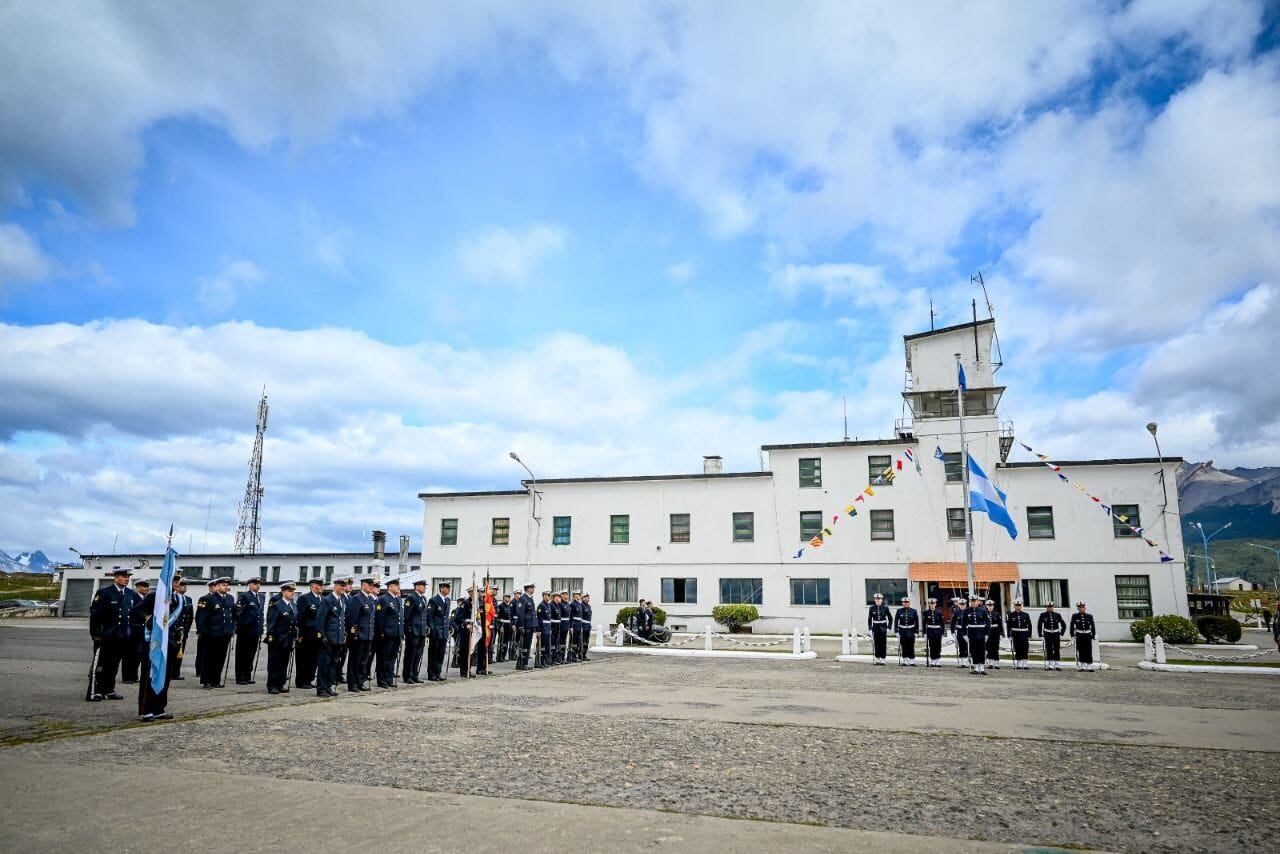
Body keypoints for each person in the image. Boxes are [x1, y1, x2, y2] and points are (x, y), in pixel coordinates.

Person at [132, 579, 183, 721]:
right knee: (150, 676)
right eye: (174, 580)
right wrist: (148, 619)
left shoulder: (177, 598)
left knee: (165, 677)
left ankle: (159, 708)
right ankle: (146, 710)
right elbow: (137, 611)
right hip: (154, 643)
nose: (177, 583)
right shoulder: (155, 596)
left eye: (179, 580)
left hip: (170, 644)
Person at [87, 567, 139, 701]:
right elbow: (95, 616)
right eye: (124, 576)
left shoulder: (130, 594)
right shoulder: (104, 593)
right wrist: (96, 635)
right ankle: (95, 691)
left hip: (122, 637)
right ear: (116, 578)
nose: (127, 579)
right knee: (101, 665)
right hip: (106, 636)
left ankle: (109, 690)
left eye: (128, 576)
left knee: (114, 666)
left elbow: (138, 610)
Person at [197, 577, 236, 689]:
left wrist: (232, 628)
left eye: (227, 585)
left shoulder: (230, 598)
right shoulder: (208, 599)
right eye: (223, 585)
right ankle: (207, 681)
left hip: (225, 633)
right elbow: (202, 618)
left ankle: (216, 680)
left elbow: (233, 615)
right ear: (217, 586)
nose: (226, 587)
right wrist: (203, 632)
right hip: (211, 634)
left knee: (220, 658)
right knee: (209, 658)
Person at [314, 577, 349, 697]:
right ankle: (321, 688)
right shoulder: (327, 600)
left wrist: (343, 634)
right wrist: (321, 635)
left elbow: (341, 619)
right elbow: (320, 620)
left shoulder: (342, 600)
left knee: (334, 664)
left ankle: (328, 686)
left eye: (345, 586)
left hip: (338, 638)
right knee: (324, 664)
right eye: (341, 586)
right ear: (335, 586)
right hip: (328, 638)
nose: (343, 588)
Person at [265, 582, 298, 694]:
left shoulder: (293, 605)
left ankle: (280, 683)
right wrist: (271, 637)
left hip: (288, 639)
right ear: (283, 592)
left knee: (284, 663)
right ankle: (272, 685)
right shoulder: (277, 605)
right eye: (289, 591)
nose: (292, 593)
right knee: (275, 663)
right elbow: (271, 623)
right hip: (277, 639)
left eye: (293, 591)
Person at [345, 577, 375, 692]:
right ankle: (352, 684)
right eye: (369, 584)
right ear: (363, 585)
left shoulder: (370, 599)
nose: (372, 586)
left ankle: (360, 682)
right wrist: (354, 634)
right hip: (359, 635)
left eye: (372, 584)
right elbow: (352, 619)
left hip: (368, 635)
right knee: (355, 661)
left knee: (364, 661)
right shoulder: (357, 599)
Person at [234, 577, 266, 684]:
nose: (258, 585)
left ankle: (247, 675)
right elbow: (238, 612)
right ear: (249, 585)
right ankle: (240, 677)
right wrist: (241, 625)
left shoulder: (261, 597)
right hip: (245, 630)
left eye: (259, 583)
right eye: (255, 583)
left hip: (255, 630)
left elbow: (260, 613)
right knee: (242, 654)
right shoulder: (244, 596)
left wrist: (261, 628)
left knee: (251, 653)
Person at [294, 578, 324, 689]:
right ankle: (301, 681)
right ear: (313, 586)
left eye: (322, 585)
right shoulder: (305, 599)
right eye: (319, 585)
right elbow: (300, 617)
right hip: (306, 634)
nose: (322, 587)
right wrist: (300, 633)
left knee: (314, 659)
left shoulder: (323, 599)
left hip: (318, 635)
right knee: (303, 658)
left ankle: (309, 678)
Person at [374, 578, 405, 688]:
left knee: (392, 657)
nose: (398, 587)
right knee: (383, 657)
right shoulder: (383, 599)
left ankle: (389, 678)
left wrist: (401, 632)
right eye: (396, 585)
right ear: (390, 587)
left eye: (398, 585)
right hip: (386, 634)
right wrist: (381, 632)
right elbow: (380, 617)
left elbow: (400, 617)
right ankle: (381, 680)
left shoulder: (398, 600)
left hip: (396, 633)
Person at [120, 577, 151, 684]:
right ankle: (127, 677)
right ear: (137, 587)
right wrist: (145, 616)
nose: (147, 588)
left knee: (138, 654)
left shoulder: (146, 598)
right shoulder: (132, 597)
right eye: (144, 586)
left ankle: (134, 675)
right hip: (133, 629)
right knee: (129, 654)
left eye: (147, 586)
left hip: (142, 630)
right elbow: (132, 611)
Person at [402, 578, 429, 683]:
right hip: (413, 630)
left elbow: (424, 615)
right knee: (410, 654)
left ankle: (415, 674)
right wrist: (408, 629)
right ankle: (407, 675)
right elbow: (407, 615)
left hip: (421, 630)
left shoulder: (424, 598)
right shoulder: (411, 598)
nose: (424, 587)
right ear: (417, 586)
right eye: (423, 585)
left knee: (418, 654)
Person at [426, 581, 452, 681]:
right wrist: (432, 629)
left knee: (441, 653)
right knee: (433, 653)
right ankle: (431, 673)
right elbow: (430, 616)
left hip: (444, 631)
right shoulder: (433, 600)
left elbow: (446, 616)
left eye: (449, 588)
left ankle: (438, 672)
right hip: (436, 631)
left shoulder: (448, 600)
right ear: (441, 589)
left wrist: (449, 627)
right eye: (447, 588)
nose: (449, 590)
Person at [169, 576, 194, 681]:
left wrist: (185, 630)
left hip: (182, 631)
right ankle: (169, 673)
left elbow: (189, 616)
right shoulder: (171, 598)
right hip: (172, 630)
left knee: (180, 653)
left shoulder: (188, 599)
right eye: (182, 585)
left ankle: (176, 673)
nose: (184, 587)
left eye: (185, 585)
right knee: (170, 652)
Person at [514, 582, 538, 669]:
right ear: (528, 588)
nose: (533, 589)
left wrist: (535, 625)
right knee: (523, 645)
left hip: (530, 625)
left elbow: (532, 614)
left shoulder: (530, 599)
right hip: (525, 626)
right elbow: (520, 614)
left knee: (528, 645)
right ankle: (522, 663)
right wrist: (521, 626)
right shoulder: (523, 599)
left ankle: (525, 663)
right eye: (532, 588)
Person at [1037, 602, 1066, 671]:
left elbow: (1063, 625)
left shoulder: (1057, 615)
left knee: (1056, 649)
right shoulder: (1043, 615)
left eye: (1051, 607)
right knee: (1049, 649)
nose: (1049, 608)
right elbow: (1039, 626)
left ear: (1053, 607)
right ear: (1046, 607)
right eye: (1048, 607)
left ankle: (1057, 665)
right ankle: (1050, 665)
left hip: (1056, 634)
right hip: (1047, 634)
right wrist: (1040, 635)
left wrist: (1061, 633)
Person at [966, 595, 990, 675]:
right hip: (972, 634)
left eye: (975, 601)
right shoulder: (967, 611)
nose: (973, 602)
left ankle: (982, 668)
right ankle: (976, 667)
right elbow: (963, 624)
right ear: (970, 602)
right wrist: (964, 635)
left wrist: (987, 633)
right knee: (974, 651)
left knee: (981, 650)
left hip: (981, 633)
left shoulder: (983, 610)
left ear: (978, 602)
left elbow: (987, 623)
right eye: (972, 601)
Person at [1070, 601, 1097, 671]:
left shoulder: (1089, 616)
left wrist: (1093, 635)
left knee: (1088, 650)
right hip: (1079, 635)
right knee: (1081, 650)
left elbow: (1093, 626)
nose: (1081, 609)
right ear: (1078, 609)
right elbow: (1072, 626)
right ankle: (1082, 665)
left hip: (1087, 635)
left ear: (1085, 608)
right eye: (1080, 608)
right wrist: (1072, 635)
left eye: (1083, 607)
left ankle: (1089, 665)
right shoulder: (1075, 616)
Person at [1007, 600, 1032, 669]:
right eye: (1016, 605)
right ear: (1014, 606)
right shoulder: (1011, 615)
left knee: (1025, 648)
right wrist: (1009, 635)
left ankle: (1025, 663)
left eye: (1019, 605)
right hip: (1015, 634)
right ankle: (1019, 663)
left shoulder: (1026, 615)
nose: (1018, 607)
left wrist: (1029, 635)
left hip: (1024, 634)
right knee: (1017, 648)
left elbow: (1029, 625)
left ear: (1021, 606)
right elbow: (1009, 626)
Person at [867, 592, 891, 665]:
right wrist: (870, 629)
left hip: (883, 627)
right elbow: (869, 619)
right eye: (876, 599)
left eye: (879, 599)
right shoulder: (871, 608)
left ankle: (883, 658)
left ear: (881, 600)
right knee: (876, 643)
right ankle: (877, 658)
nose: (878, 600)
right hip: (876, 627)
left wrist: (889, 627)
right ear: (875, 600)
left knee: (883, 643)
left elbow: (890, 618)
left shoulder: (885, 607)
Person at [452, 595, 473, 678]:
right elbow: (453, 621)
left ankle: (468, 669)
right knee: (460, 650)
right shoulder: (456, 610)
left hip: (467, 630)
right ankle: (457, 664)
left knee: (468, 650)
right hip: (459, 631)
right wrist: (457, 629)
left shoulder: (472, 605)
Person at [894, 596, 918, 665]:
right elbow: (896, 621)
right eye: (904, 602)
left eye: (907, 602)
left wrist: (916, 631)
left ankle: (912, 660)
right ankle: (905, 659)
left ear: (909, 603)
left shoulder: (913, 611)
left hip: (911, 630)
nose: (905, 603)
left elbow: (916, 622)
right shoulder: (899, 611)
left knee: (911, 645)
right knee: (904, 645)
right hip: (902, 631)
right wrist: (896, 631)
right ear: (902, 603)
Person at [922, 597, 945, 666]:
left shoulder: (939, 612)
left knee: (938, 646)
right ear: (929, 604)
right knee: (931, 646)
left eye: (933, 603)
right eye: (931, 604)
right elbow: (924, 624)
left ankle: (937, 660)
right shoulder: (926, 613)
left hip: (938, 631)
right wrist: (925, 633)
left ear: (936, 604)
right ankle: (932, 660)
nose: (932, 605)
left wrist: (943, 632)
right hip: (930, 631)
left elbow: (942, 623)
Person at [950, 597, 970, 668]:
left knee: (969, 647)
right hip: (960, 631)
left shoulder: (969, 611)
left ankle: (968, 661)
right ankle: (963, 662)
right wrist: (952, 631)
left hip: (968, 631)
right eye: (961, 604)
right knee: (961, 646)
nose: (962, 605)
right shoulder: (956, 613)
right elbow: (952, 623)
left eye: (963, 604)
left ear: (966, 605)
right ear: (959, 605)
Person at [985, 598, 1003, 670]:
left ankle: (996, 663)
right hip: (988, 632)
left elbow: (1000, 624)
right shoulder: (984, 613)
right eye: (989, 605)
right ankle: (990, 663)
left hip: (995, 632)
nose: (990, 607)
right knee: (989, 648)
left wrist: (1001, 633)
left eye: (991, 605)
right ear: (986, 606)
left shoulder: (997, 614)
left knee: (995, 648)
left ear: (993, 606)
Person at [495, 593, 514, 662]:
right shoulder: (500, 606)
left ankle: (503, 656)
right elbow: (498, 617)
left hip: (508, 626)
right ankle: (499, 656)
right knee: (501, 642)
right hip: (503, 625)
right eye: (506, 597)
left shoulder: (509, 606)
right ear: (504, 598)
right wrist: (500, 626)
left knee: (506, 642)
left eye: (509, 597)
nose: (508, 598)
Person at [537, 591, 553, 667]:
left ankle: (545, 661)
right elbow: (539, 619)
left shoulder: (548, 605)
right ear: (543, 596)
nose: (549, 597)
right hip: (543, 628)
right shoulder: (541, 605)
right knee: (542, 646)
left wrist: (550, 628)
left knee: (546, 645)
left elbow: (549, 619)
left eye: (550, 596)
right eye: (548, 595)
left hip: (547, 627)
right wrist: (539, 630)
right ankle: (541, 661)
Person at [569, 591, 585, 662]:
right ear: (575, 596)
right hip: (574, 625)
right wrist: (571, 626)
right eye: (578, 595)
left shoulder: (579, 604)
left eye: (579, 595)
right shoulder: (572, 604)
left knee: (578, 641)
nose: (579, 596)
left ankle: (577, 655)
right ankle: (573, 656)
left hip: (579, 625)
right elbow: (571, 616)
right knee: (574, 641)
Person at [578, 593, 593, 661]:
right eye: (586, 597)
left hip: (588, 626)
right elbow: (580, 617)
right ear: (583, 598)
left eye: (588, 597)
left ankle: (584, 654)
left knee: (586, 641)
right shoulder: (581, 606)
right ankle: (580, 655)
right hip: (583, 626)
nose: (588, 598)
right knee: (582, 641)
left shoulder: (589, 606)